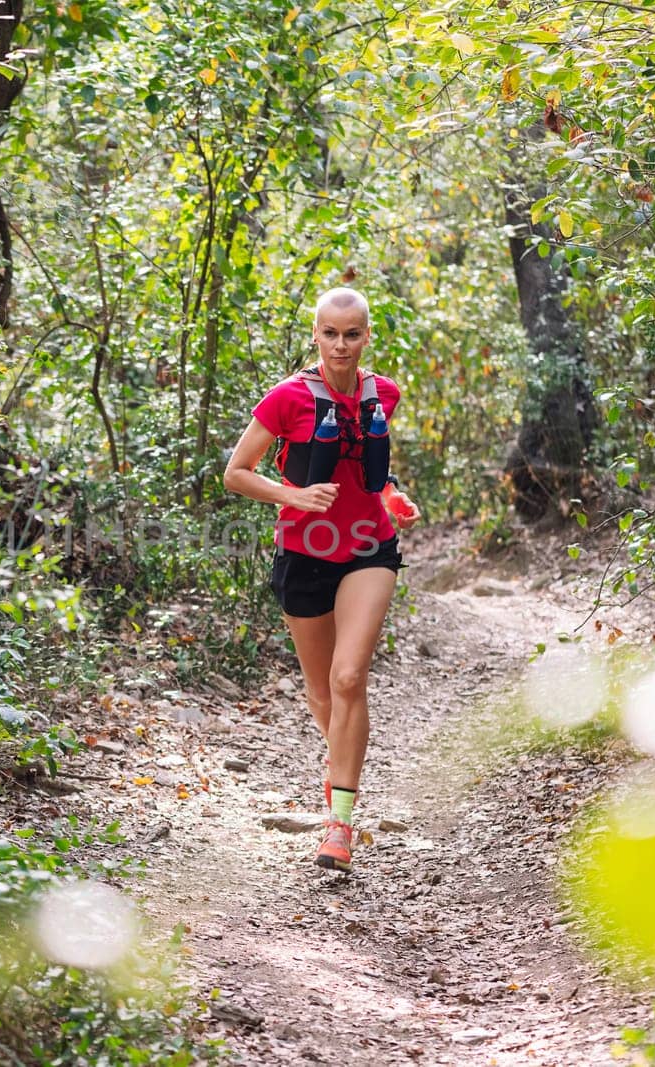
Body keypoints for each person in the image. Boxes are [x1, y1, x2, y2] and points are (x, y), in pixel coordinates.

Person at [223, 287, 420, 873]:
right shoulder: (287, 399)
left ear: (366, 336)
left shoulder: (383, 394)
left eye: (352, 334)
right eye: (330, 334)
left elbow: (369, 472)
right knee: (321, 692)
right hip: (303, 553)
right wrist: (293, 495)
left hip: (368, 549)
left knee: (349, 675)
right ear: (316, 335)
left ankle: (340, 823)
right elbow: (236, 473)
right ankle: (342, 775)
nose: (341, 344)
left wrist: (392, 495)